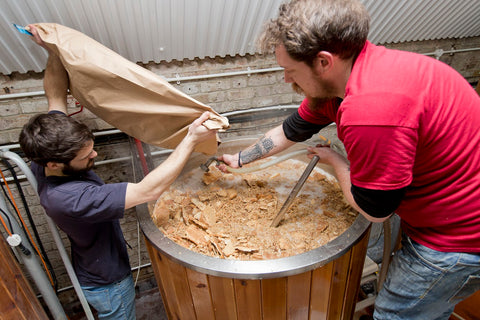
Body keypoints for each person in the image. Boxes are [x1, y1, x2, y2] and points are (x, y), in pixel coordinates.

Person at [219, 0, 480, 319]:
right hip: (443, 205)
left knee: (394, 314)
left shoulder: (370, 112)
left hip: (457, 241)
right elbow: (292, 129)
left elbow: (376, 211)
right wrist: (240, 159)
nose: (287, 79)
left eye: (290, 71)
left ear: (323, 61)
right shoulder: (354, 73)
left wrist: (337, 161)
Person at [19, 25, 217, 320]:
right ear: (54, 164)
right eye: (86, 157)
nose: (95, 155)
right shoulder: (70, 199)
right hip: (108, 283)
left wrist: (54, 49)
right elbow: (147, 191)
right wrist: (190, 139)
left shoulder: (47, 147)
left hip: (91, 265)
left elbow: (55, 95)